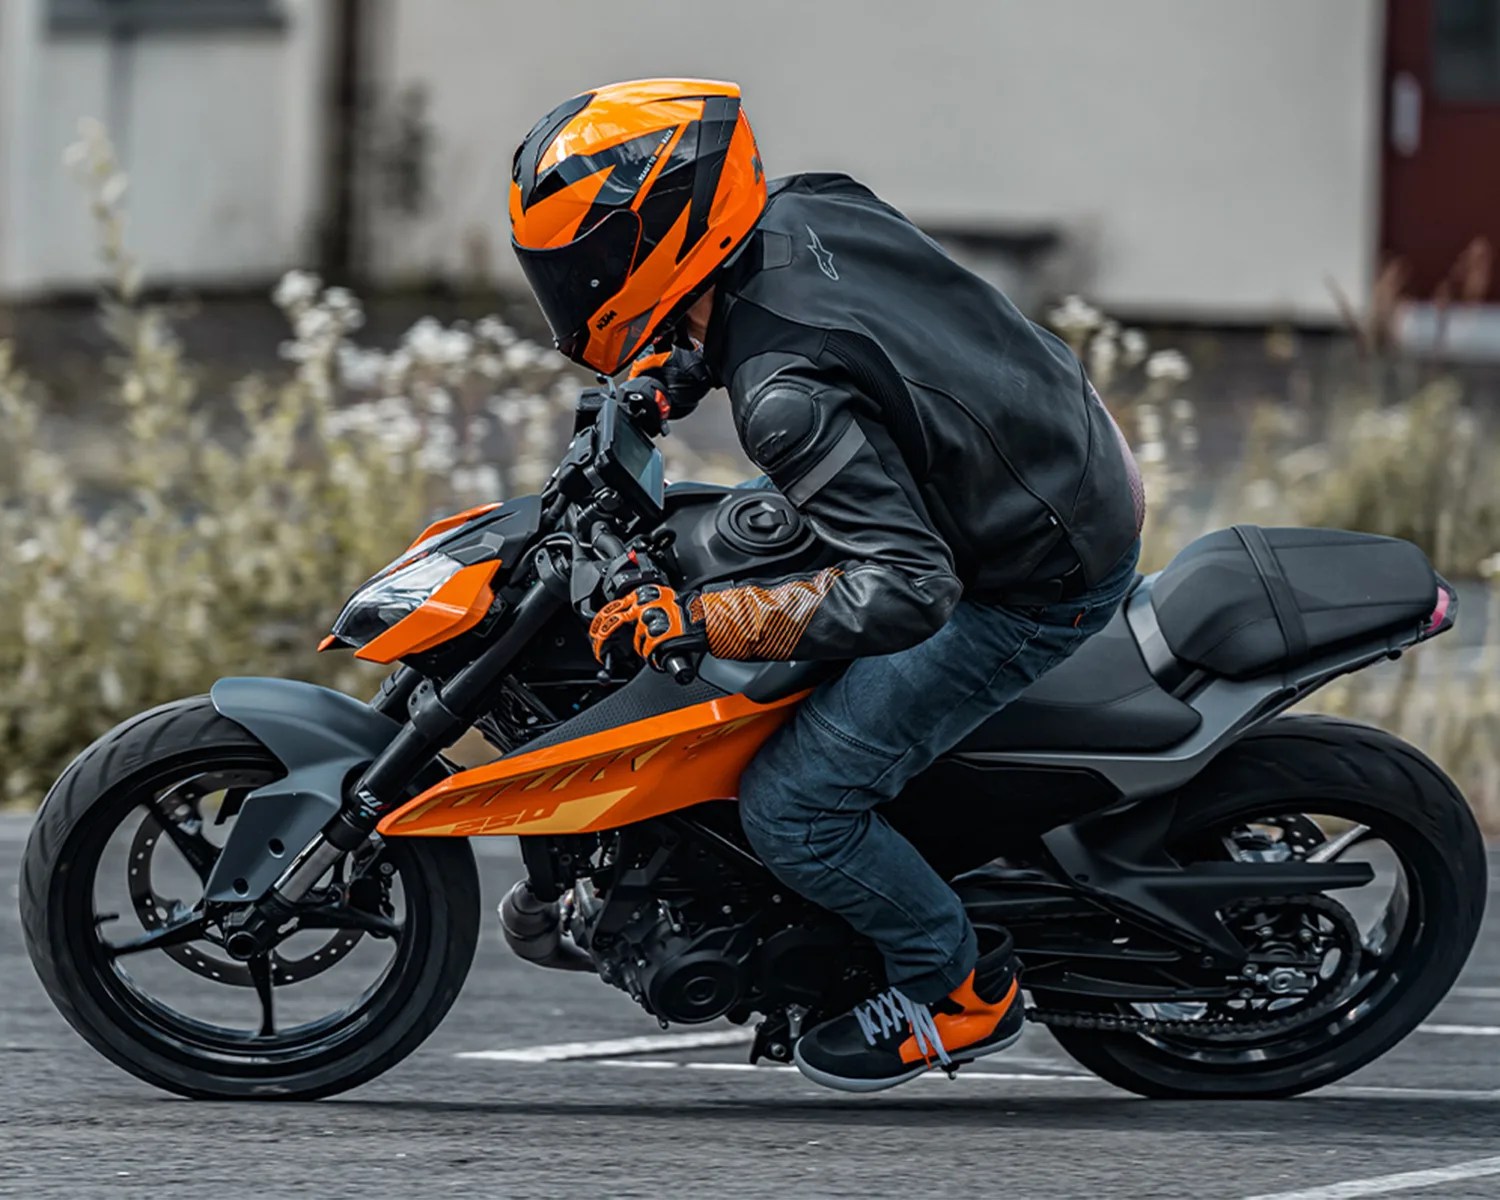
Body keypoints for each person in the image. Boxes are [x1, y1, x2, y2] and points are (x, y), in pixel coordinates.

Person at [510, 78, 1144, 1092]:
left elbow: (907, 593)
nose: (574, 284)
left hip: (1028, 571)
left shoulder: (786, 403)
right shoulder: (807, 202)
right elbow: (815, 332)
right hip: (1028, 454)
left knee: (799, 805)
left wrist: (696, 617)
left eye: (582, 264)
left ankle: (955, 988)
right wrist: (669, 375)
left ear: (658, 239)